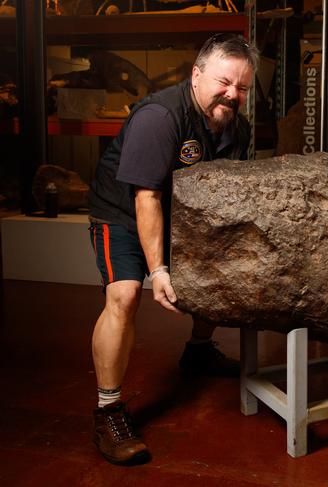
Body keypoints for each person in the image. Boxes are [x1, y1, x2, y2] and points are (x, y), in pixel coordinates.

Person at [87, 34, 259, 465]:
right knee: (124, 295)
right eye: (224, 82)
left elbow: (227, 194)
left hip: (182, 213)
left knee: (219, 267)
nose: (233, 94)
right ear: (196, 74)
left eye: (242, 88)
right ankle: (108, 410)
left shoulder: (237, 128)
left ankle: (198, 351)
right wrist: (159, 269)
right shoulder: (160, 116)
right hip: (124, 212)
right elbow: (147, 197)